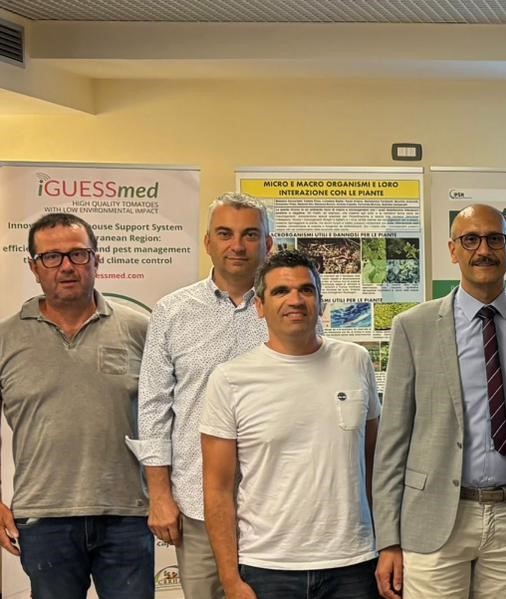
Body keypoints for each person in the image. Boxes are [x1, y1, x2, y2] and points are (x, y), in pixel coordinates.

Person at [372, 203, 506, 599]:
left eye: (494, 239)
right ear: (453, 250)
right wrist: (388, 539)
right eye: (471, 240)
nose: (483, 250)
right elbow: (393, 439)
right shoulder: (413, 327)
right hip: (435, 515)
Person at [200, 249, 379, 598]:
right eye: (281, 291)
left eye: (306, 290)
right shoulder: (230, 379)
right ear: (260, 306)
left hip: (353, 563)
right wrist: (230, 579)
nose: (295, 300)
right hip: (268, 567)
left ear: (321, 302)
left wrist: (387, 545)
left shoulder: (355, 361)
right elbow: (217, 489)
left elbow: (375, 461)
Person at [128, 192, 273, 599]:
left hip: (276, 504)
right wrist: (159, 495)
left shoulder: (289, 308)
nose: (237, 245)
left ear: (268, 244)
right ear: (208, 242)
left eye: (250, 235)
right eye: (225, 234)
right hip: (197, 504)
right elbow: (153, 407)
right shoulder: (172, 311)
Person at [0, 213, 152, 599]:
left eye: (78, 254)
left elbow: (167, 418)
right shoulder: (6, 338)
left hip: (128, 515)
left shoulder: (140, 329)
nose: (66, 266)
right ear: (34, 268)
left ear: (97, 260)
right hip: (43, 517)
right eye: (51, 257)